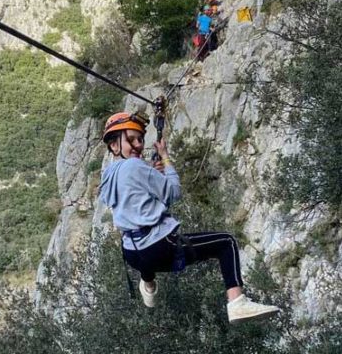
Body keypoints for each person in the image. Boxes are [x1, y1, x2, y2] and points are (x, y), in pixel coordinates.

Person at [98, 112, 281, 323]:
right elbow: (174, 193)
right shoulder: (135, 166)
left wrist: (152, 174)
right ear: (114, 146)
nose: (138, 144)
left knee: (145, 255)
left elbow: (138, 199)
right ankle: (237, 302)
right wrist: (165, 159)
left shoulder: (108, 175)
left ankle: (148, 285)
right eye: (131, 139)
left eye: (140, 139)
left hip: (131, 253)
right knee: (225, 243)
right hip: (158, 246)